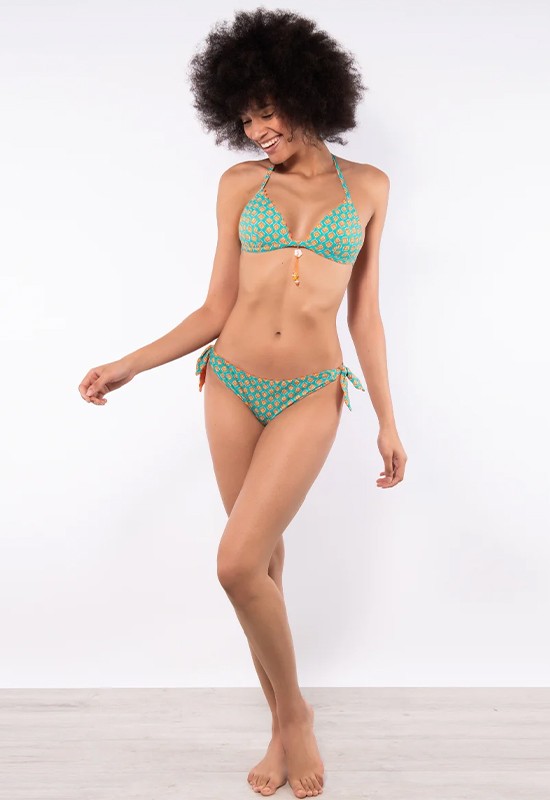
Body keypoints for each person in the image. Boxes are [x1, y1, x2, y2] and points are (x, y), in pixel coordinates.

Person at [78, 8, 407, 798]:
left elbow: (364, 315)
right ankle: (282, 723)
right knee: (258, 565)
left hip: (311, 390)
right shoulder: (238, 186)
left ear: (308, 94)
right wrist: (129, 364)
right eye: (246, 118)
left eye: (268, 112)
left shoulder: (368, 187)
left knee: (232, 563)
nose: (258, 130)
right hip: (230, 382)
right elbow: (215, 307)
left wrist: (389, 420)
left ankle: (295, 717)